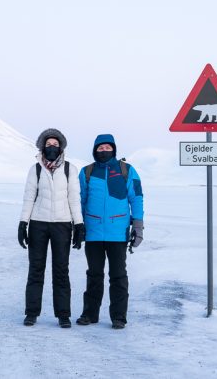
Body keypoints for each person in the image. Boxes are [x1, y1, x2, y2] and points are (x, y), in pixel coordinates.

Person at [76, 134, 144, 329]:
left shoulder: (127, 171)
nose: (104, 151)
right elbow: (80, 200)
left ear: (113, 149)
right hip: (93, 233)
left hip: (118, 232)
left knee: (118, 275)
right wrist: (78, 226)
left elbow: (136, 198)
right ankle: (89, 314)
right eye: (100, 148)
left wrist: (137, 227)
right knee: (94, 274)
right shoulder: (86, 172)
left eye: (107, 147)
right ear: (95, 150)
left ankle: (118, 317)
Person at [19, 128, 86, 328]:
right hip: (38, 224)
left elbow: (74, 199)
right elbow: (29, 196)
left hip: (62, 225)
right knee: (36, 269)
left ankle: (63, 314)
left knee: (61, 271)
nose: (52, 147)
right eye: (48, 144)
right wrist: (23, 223)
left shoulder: (69, 169)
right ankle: (31, 313)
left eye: (55, 144)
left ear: (61, 147)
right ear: (42, 146)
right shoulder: (36, 169)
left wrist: (79, 224)